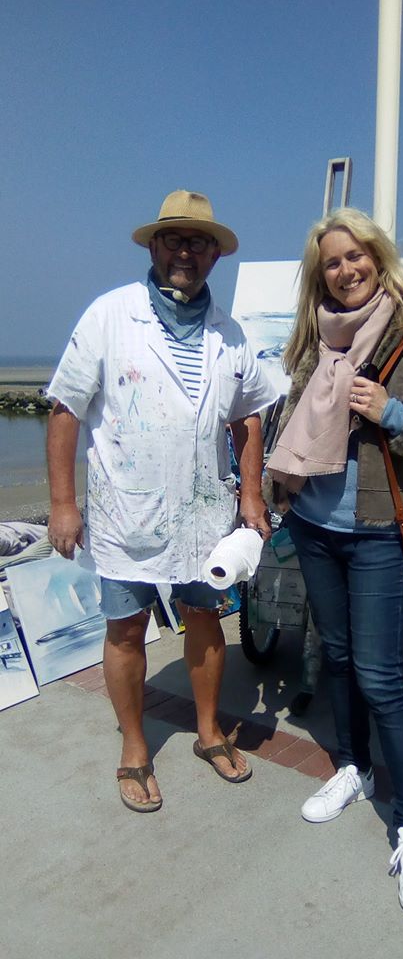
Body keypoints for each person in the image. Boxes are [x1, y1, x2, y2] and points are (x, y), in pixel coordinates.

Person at [266, 207, 403, 913]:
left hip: (382, 532)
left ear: (379, 260)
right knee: (341, 661)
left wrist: (393, 413)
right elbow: (294, 426)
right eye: (332, 261)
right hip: (316, 526)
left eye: (357, 256)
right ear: (319, 274)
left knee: (384, 681)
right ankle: (353, 767)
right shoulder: (312, 342)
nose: (346, 269)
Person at [47, 189, 278, 812]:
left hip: (204, 516)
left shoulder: (230, 333)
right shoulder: (110, 315)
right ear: (154, 246)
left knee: (206, 622)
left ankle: (207, 732)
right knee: (124, 629)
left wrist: (251, 493)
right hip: (127, 513)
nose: (186, 251)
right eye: (174, 239)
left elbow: (250, 415)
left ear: (214, 255)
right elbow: (66, 409)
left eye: (198, 242)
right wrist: (64, 504)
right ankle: (133, 747)